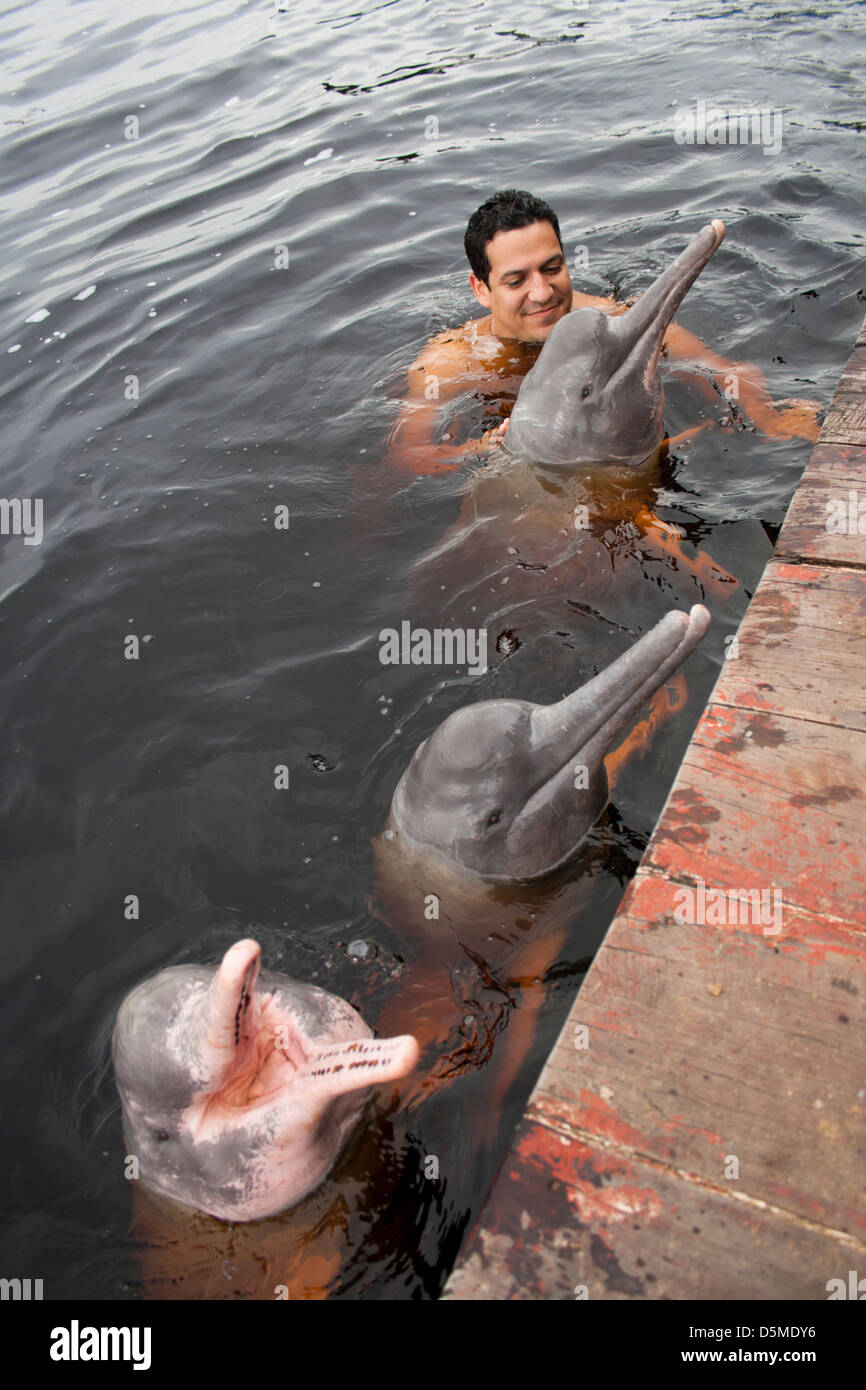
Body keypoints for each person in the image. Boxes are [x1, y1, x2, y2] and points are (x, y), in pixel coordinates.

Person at [383, 188, 822, 474]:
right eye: (516, 281)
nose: (542, 293)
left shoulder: (608, 318)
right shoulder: (450, 360)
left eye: (553, 268)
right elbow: (410, 456)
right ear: (480, 288)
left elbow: (717, 368)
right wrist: (483, 451)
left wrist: (766, 417)